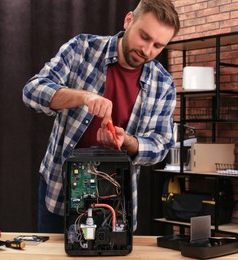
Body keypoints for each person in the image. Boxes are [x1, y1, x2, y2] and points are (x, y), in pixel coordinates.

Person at [22, 0, 180, 233]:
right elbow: (32, 91)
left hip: (116, 199)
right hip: (59, 188)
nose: (147, 51)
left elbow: (161, 145)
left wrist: (128, 142)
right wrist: (83, 97)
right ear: (128, 21)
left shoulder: (163, 83)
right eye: (144, 37)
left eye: (158, 46)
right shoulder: (82, 49)